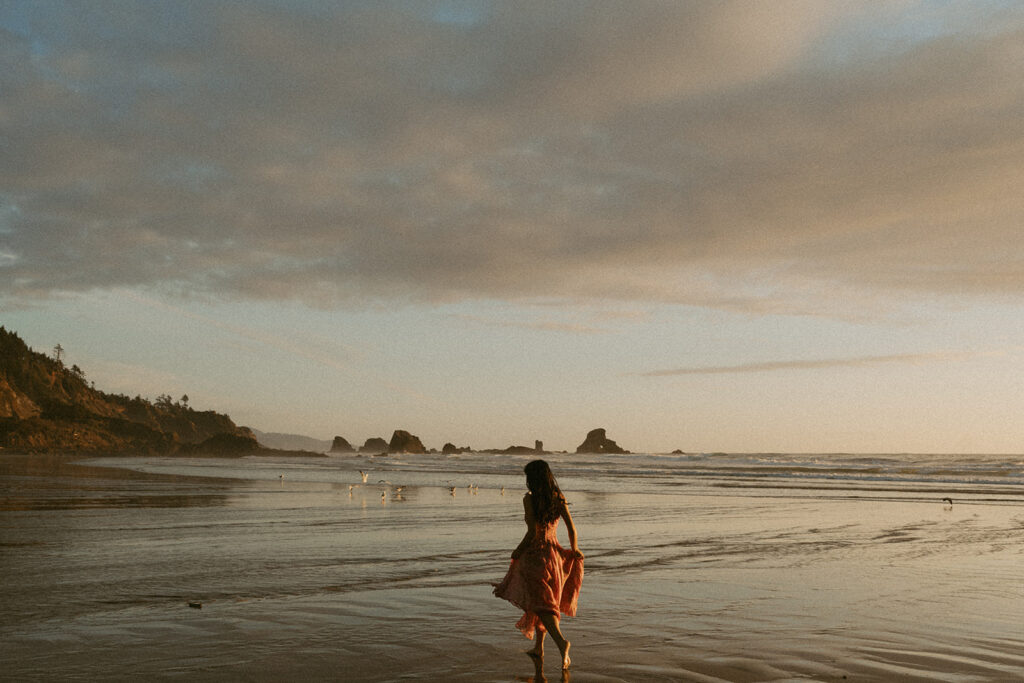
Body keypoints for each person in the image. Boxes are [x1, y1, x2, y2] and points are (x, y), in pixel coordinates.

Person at [493, 460, 584, 670]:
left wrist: (517, 550)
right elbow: (572, 528)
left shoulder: (530, 500)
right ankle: (539, 648)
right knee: (544, 599)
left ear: (532, 479)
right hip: (554, 556)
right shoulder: (558, 498)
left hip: (535, 556)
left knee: (543, 604)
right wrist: (575, 548)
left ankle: (562, 643)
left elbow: (533, 532)